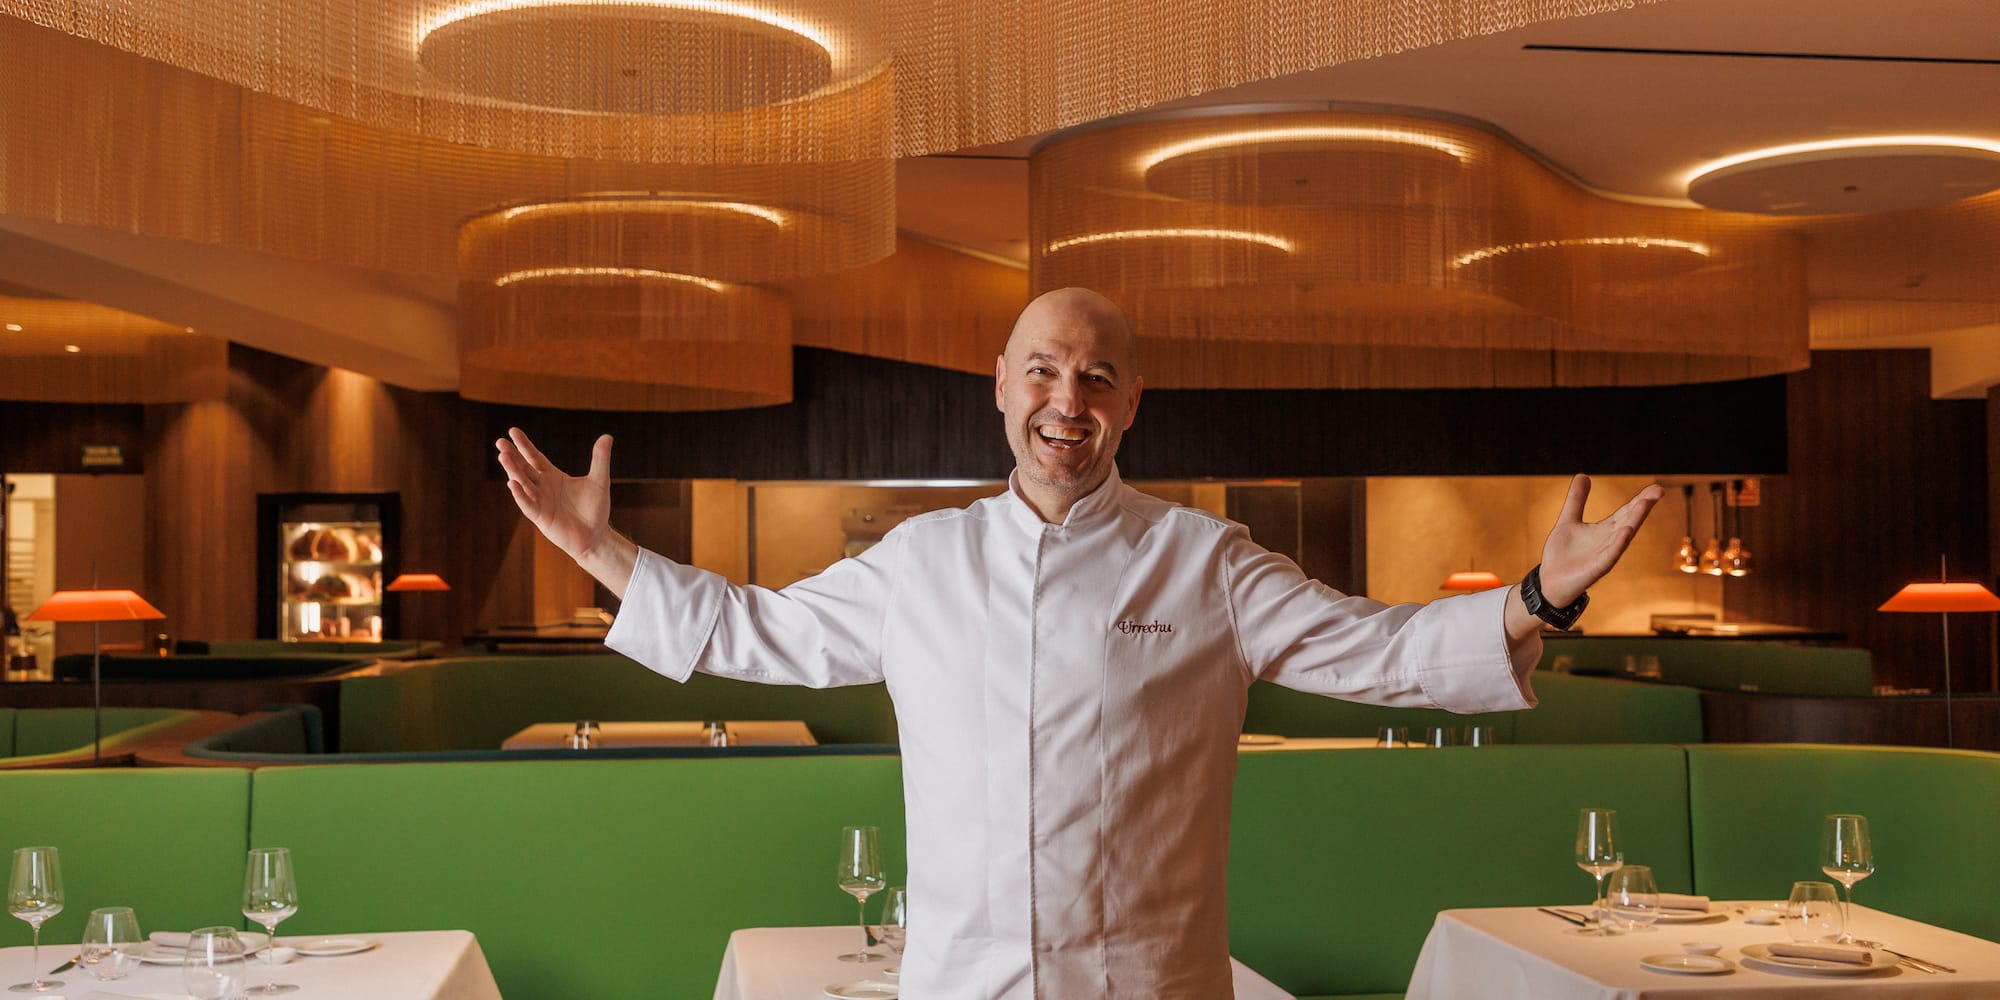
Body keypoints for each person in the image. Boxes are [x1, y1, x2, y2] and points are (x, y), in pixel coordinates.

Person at [496, 287, 1662, 999]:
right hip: (962, 986)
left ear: (1132, 401)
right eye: (1044, 371)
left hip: (1150, 986)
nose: (1069, 399)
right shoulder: (921, 561)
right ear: (999, 387)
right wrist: (602, 554)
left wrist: (1535, 599)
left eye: (1096, 376)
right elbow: (753, 632)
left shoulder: (1205, 562)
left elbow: (1380, 650)